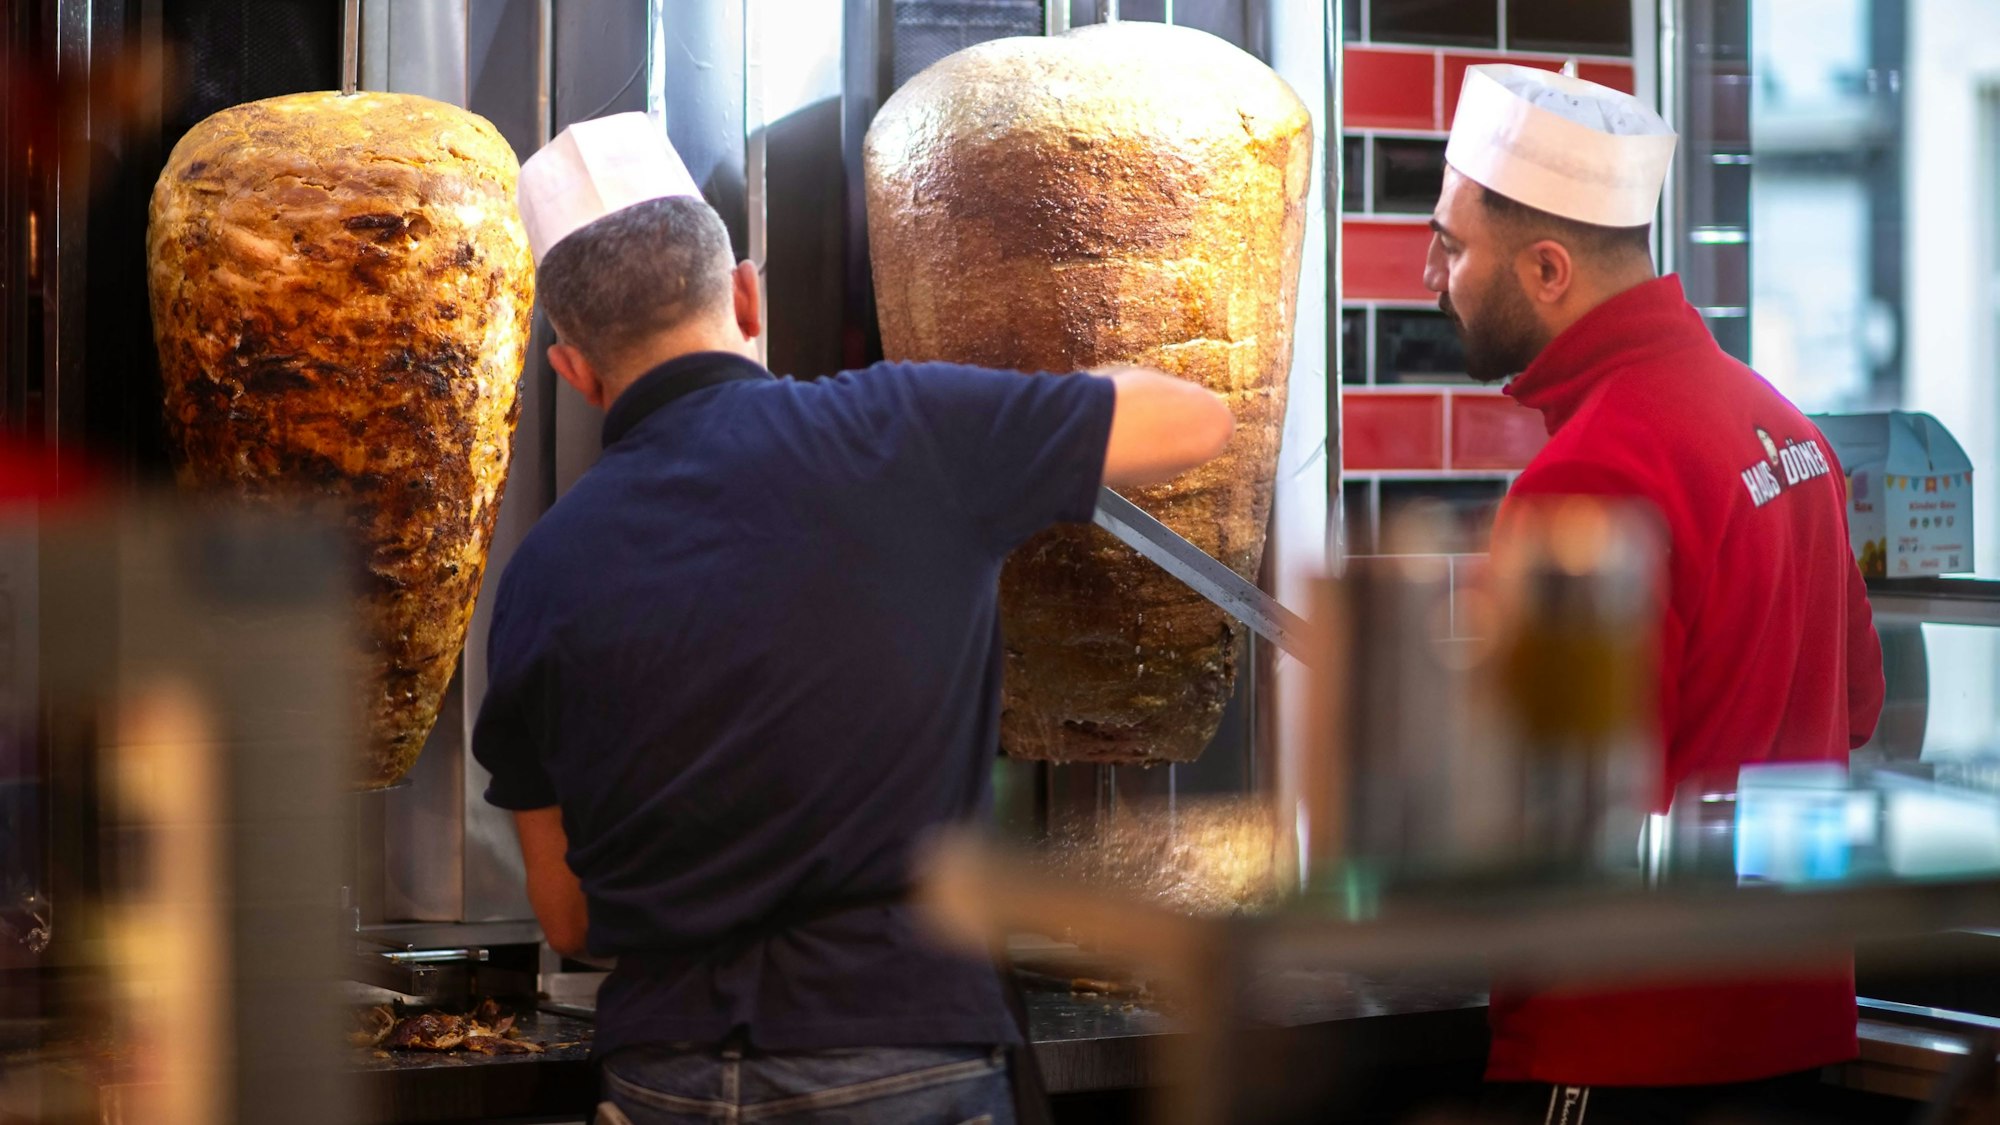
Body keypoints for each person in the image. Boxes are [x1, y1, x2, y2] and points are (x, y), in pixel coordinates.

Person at [473, 111, 1235, 1125]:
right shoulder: (906, 430)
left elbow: (567, 915)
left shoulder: (535, 577)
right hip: (901, 1060)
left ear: (572, 371)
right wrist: (1009, 412)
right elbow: (1196, 419)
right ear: (745, 293)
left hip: (661, 1076)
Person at [1424, 66, 1887, 1122]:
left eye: (1453, 247)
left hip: (1628, 1045)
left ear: (1546, 269)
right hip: (1790, 1030)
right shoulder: (1784, 428)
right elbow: (1852, 708)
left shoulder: (1588, 475)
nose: (1432, 277)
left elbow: (1556, 807)